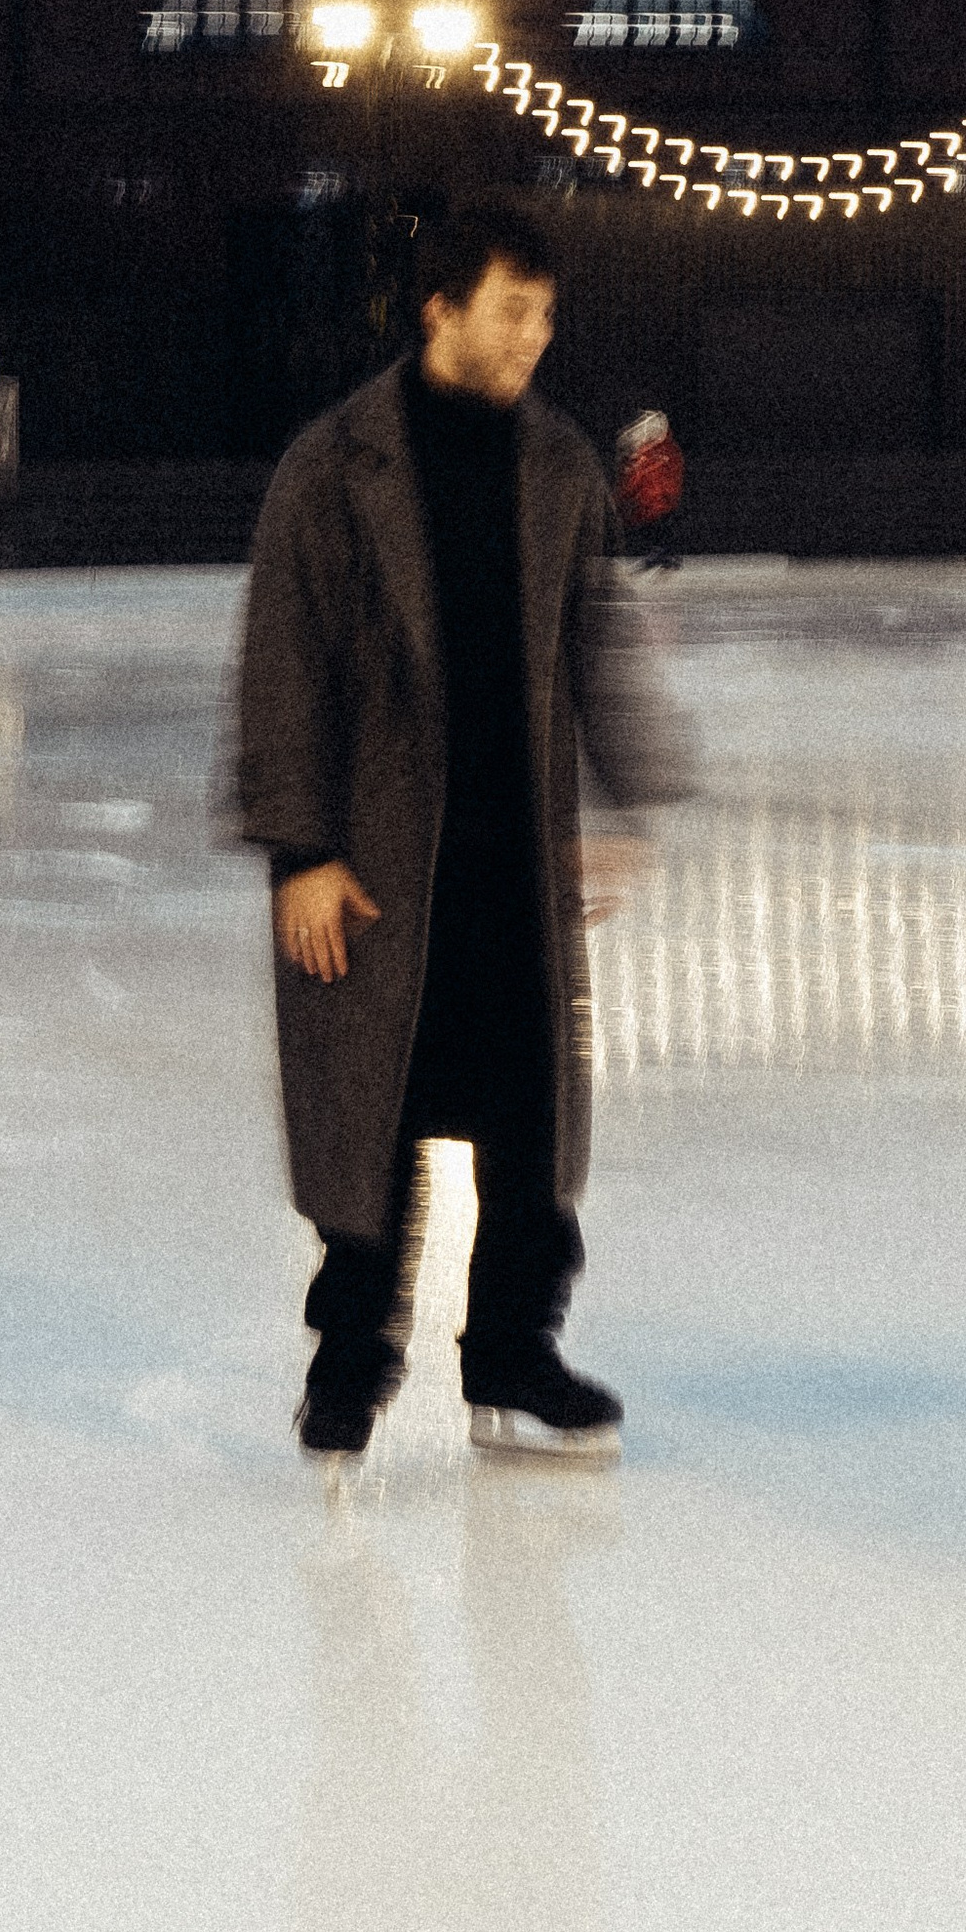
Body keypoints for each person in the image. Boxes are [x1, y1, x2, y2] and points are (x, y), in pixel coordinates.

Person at [236, 199, 693, 1462]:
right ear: (438, 309)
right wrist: (300, 852)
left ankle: (511, 1351)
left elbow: (594, 646)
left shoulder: (556, 466)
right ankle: (352, 1359)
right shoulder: (333, 469)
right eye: (513, 310)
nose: (537, 336)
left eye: (546, 312)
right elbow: (285, 666)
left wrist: (630, 796)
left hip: (513, 859)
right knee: (371, 1120)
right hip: (379, 860)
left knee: (527, 1129)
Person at [613, 408, 685, 570]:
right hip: (656, 498)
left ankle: (664, 555)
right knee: (655, 526)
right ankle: (665, 555)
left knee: (655, 524)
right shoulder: (652, 452)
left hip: (657, 498)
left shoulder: (656, 453)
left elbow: (659, 474)